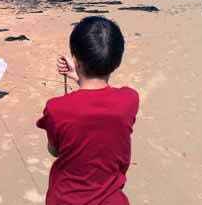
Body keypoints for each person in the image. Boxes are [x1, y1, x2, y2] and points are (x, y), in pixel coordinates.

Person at [37, 16, 139, 205]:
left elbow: (55, 150)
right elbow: (102, 104)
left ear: (75, 59)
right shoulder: (130, 99)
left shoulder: (56, 108)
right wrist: (78, 77)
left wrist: (79, 76)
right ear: (117, 62)